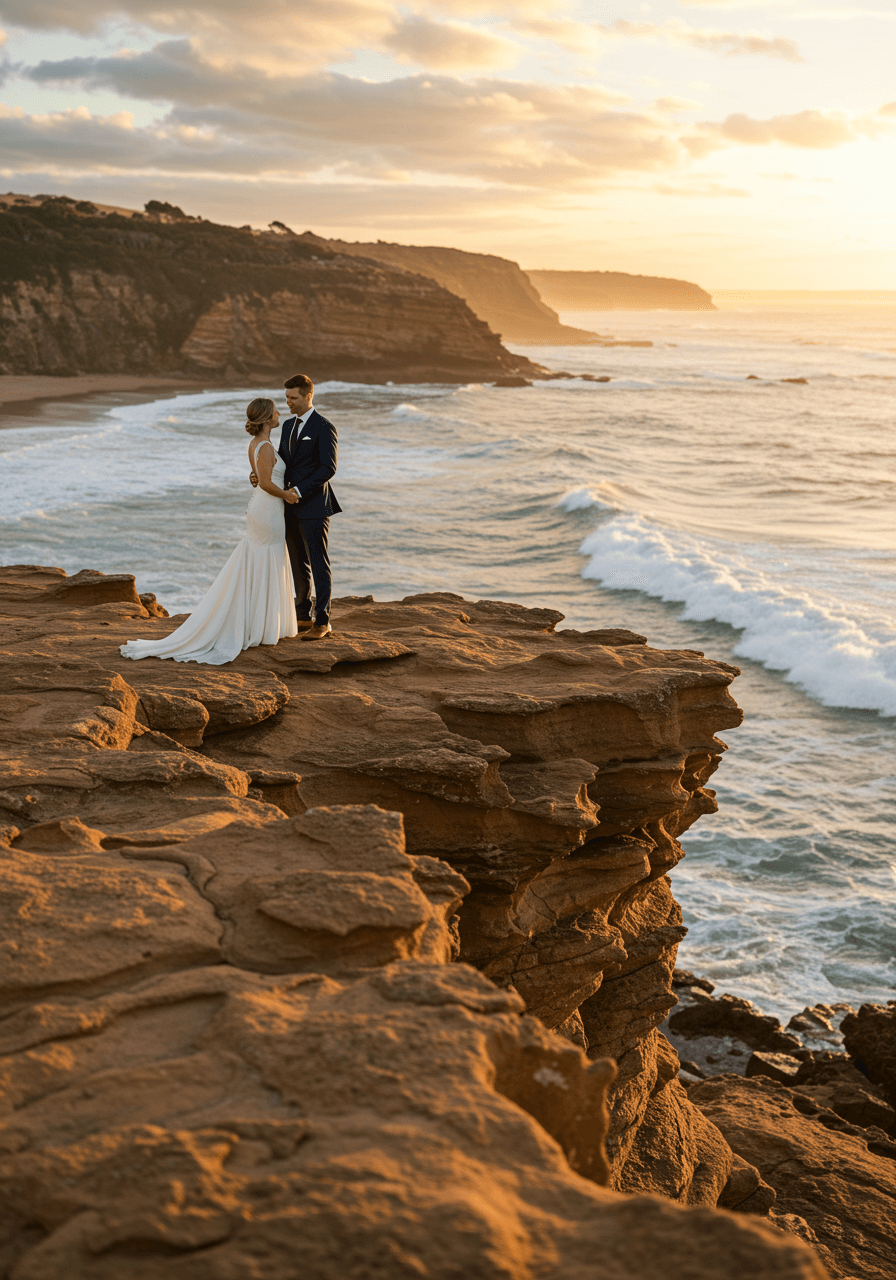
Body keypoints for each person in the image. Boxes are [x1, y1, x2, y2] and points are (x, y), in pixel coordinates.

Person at [120, 398, 299, 666]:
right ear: (265, 418)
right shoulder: (263, 447)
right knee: (267, 558)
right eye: (275, 411)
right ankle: (261, 626)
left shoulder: (259, 445)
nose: (279, 414)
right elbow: (263, 482)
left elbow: (259, 478)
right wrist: (288, 495)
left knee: (264, 559)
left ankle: (262, 624)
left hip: (264, 510)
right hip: (268, 511)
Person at [251, 373, 342, 641]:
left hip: (314, 506)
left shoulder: (324, 427)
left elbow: (328, 467)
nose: (288, 403)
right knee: (297, 562)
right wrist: (260, 477)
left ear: (308, 396)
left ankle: (323, 621)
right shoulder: (289, 426)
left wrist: (299, 491)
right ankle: (303, 614)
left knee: (318, 561)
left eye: (293, 398)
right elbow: (283, 463)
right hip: (287, 506)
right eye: (286, 398)